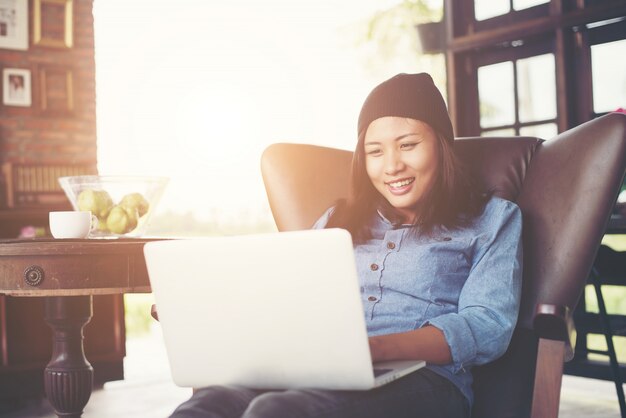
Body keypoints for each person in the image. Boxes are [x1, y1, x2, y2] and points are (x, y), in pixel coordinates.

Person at [170, 73, 523, 418]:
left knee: (276, 411)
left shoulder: (493, 219)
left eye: (408, 145)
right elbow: (287, 296)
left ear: (441, 145)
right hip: (316, 370)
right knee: (208, 404)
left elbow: (487, 325)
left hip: (427, 380)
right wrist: (207, 313)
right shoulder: (338, 219)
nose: (392, 166)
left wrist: (375, 349)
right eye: (375, 151)